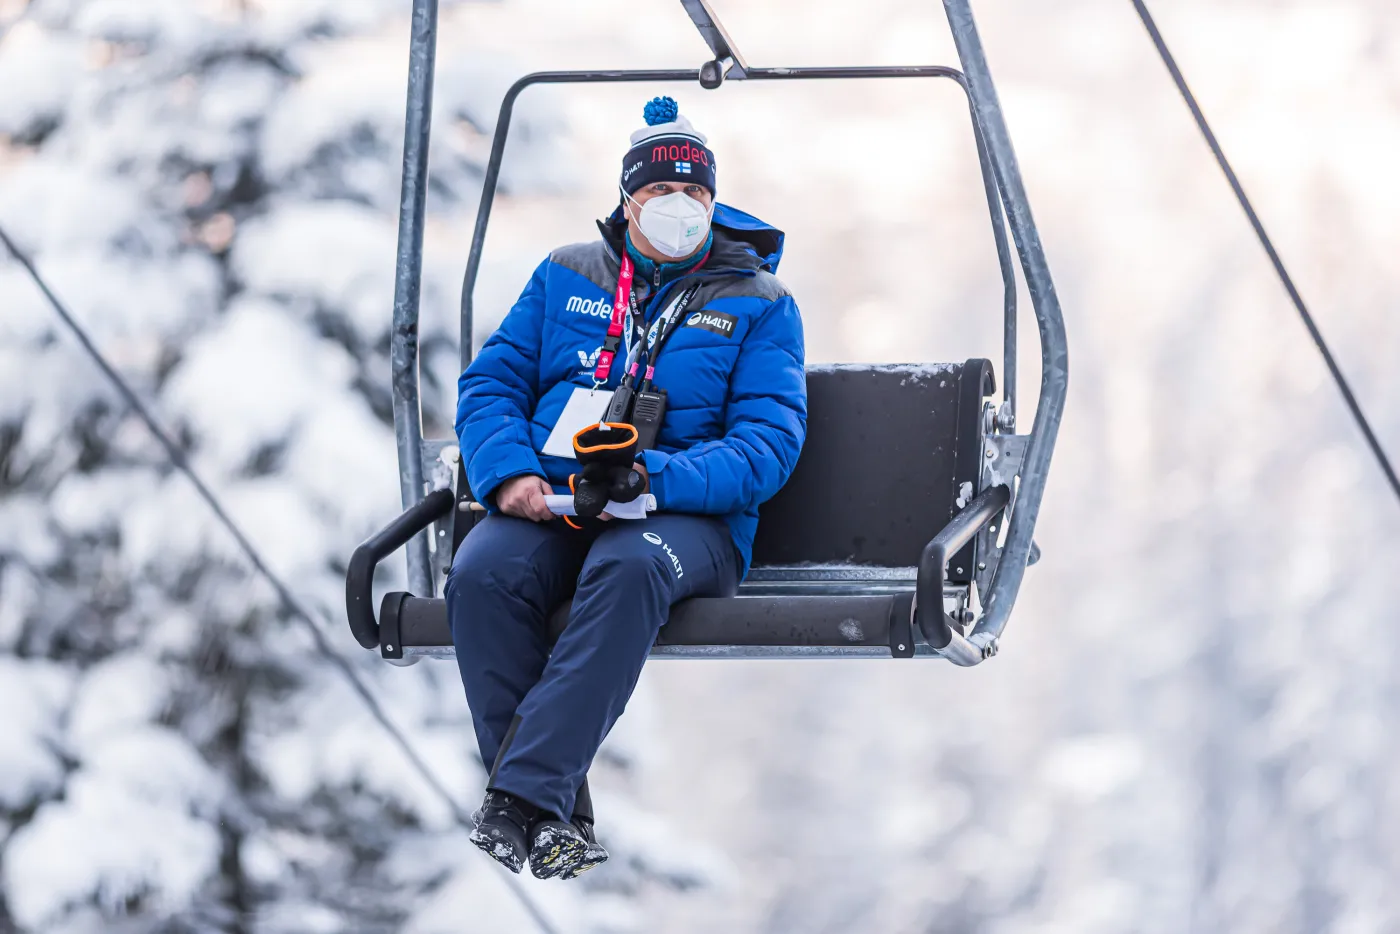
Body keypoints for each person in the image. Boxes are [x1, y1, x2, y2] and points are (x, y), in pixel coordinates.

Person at [448, 96, 806, 880]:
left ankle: (516, 801)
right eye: (660, 196)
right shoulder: (565, 275)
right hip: (560, 499)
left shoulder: (759, 304)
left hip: (685, 519)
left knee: (628, 567)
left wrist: (657, 478)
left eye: (696, 197)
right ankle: (555, 818)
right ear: (627, 200)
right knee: (482, 572)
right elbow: (491, 385)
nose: (680, 210)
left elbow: (768, 443)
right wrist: (506, 473)